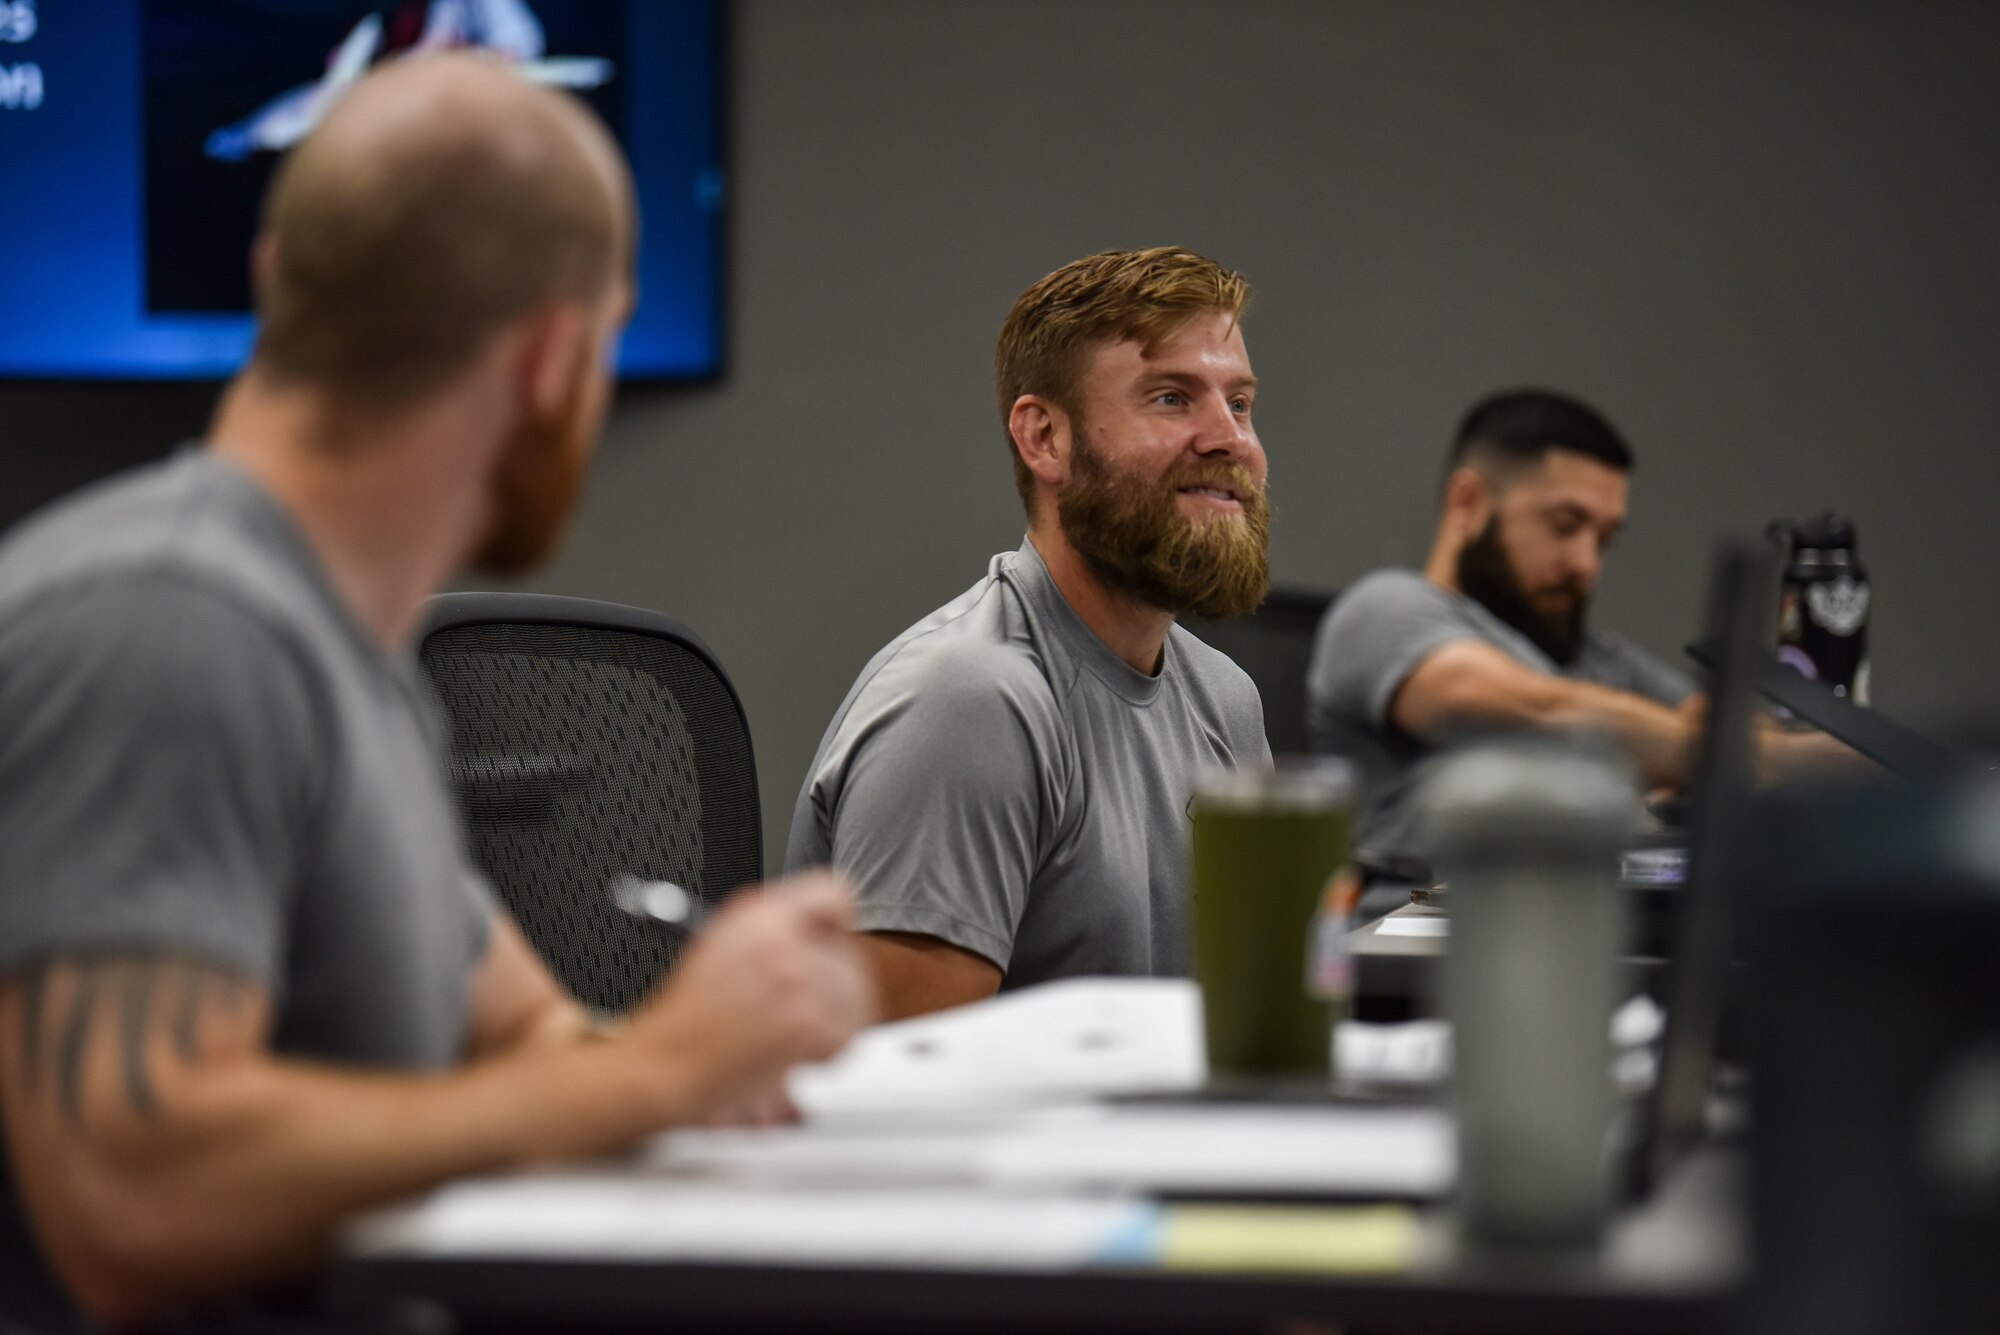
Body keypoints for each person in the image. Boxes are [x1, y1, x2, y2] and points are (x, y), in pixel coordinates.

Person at [0, 56, 873, 1331]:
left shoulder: (348, 661)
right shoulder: (172, 626)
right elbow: (137, 1189)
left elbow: (525, 1039)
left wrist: (705, 1052)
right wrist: (661, 1072)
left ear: (271, 282)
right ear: (551, 361)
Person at [786, 248, 1272, 1021]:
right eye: (1173, 397)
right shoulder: (969, 701)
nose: (1230, 438)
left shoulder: (1225, 700)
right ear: (1045, 437)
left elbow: (1250, 1026)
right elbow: (904, 1104)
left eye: (1240, 403)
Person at [1306, 389, 1697, 881]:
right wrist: (1702, 755)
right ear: (1468, 502)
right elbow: (1541, 713)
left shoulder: (1604, 663)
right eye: (1565, 525)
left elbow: (1728, 727)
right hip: (1417, 946)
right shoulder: (1385, 609)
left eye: (1604, 539)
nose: (1586, 563)